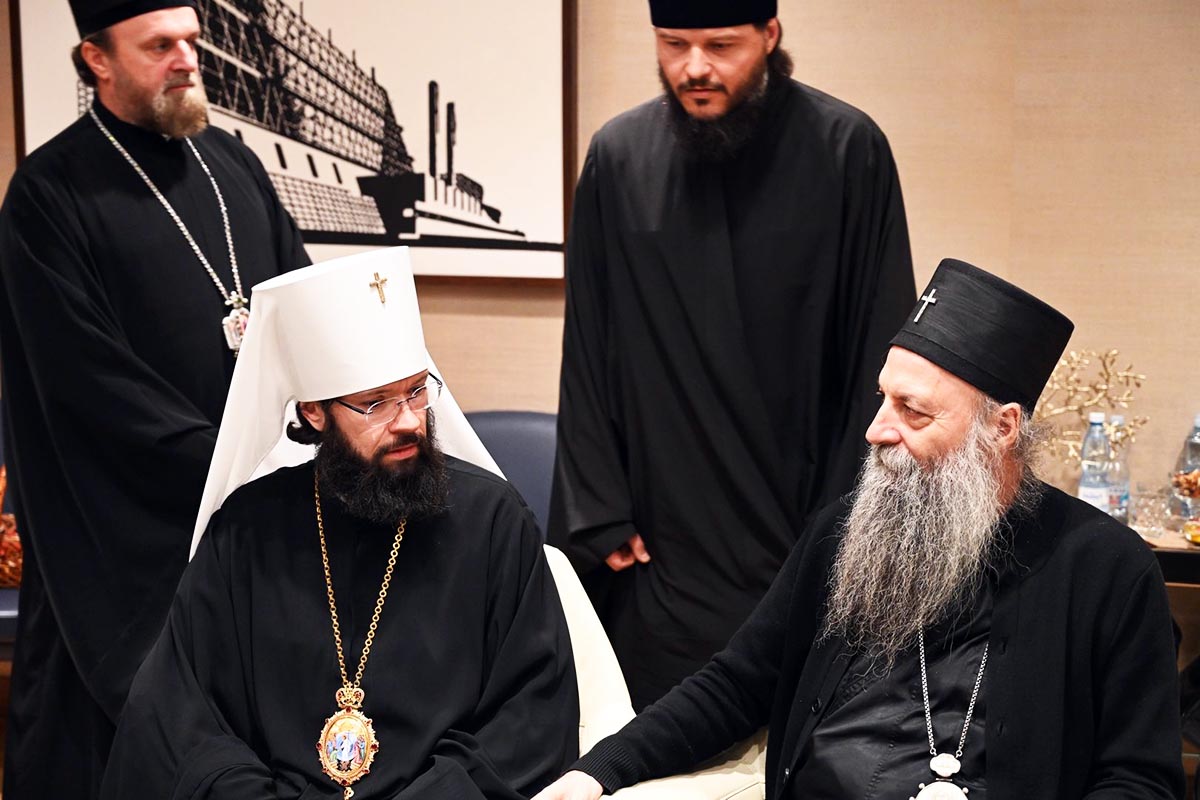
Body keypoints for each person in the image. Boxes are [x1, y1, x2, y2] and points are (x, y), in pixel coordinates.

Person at [536, 258, 1183, 799]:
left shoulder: (1106, 569)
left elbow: (1138, 780)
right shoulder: (845, 531)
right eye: (882, 399)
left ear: (1002, 428)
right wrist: (600, 770)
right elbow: (737, 683)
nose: (877, 430)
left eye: (913, 411)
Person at [101, 249, 579, 799]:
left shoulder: (493, 523)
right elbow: (183, 716)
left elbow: (532, 715)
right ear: (314, 411)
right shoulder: (246, 532)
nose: (409, 421)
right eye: (376, 404)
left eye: (416, 390)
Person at [550, 0, 916, 708]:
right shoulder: (620, 156)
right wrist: (598, 509)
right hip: (664, 530)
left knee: (798, 729)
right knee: (660, 731)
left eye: (720, 46)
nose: (694, 68)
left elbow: (879, 353)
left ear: (769, 35)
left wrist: (846, 529)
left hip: (800, 513)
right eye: (673, 43)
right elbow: (589, 339)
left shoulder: (847, 150)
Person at [0, 2, 310, 796]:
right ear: (96, 59)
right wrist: (234, 459)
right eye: (159, 45)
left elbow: (303, 307)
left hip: (255, 521)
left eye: (192, 40)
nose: (186, 59)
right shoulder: (47, 195)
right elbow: (88, 385)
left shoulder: (232, 163)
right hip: (120, 543)